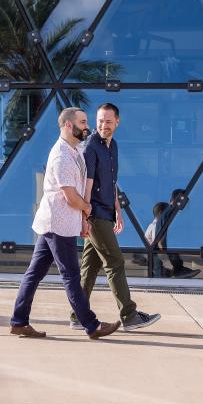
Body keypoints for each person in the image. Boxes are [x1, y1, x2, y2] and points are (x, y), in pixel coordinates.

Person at [9, 107, 119, 340]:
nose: (87, 126)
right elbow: (70, 195)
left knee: (34, 273)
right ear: (68, 125)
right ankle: (92, 326)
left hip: (61, 223)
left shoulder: (75, 150)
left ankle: (19, 322)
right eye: (82, 122)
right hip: (57, 224)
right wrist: (88, 209)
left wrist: (82, 220)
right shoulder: (61, 156)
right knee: (71, 275)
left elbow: (78, 189)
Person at [71, 103, 160, 331]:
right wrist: (84, 217)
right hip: (95, 214)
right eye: (100, 121)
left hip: (106, 212)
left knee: (90, 268)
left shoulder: (113, 146)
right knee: (115, 263)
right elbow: (86, 186)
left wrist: (118, 211)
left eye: (108, 121)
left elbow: (111, 183)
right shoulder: (91, 147)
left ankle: (76, 316)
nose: (103, 125)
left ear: (117, 122)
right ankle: (129, 316)